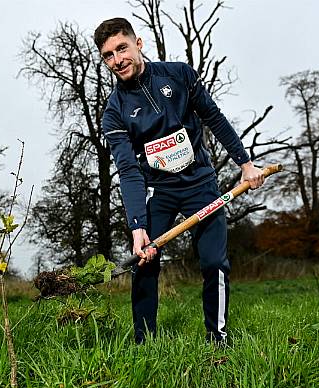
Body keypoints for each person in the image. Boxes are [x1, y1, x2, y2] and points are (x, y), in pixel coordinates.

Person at [94, 17, 265, 345]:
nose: (117, 60)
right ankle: (145, 345)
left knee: (214, 262)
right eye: (108, 56)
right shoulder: (114, 113)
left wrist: (246, 164)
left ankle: (218, 339)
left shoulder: (179, 74)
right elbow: (129, 171)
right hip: (158, 191)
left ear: (138, 44)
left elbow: (213, 117)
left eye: (121, 48)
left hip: (201, 183)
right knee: (143, 265)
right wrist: (137, 226)